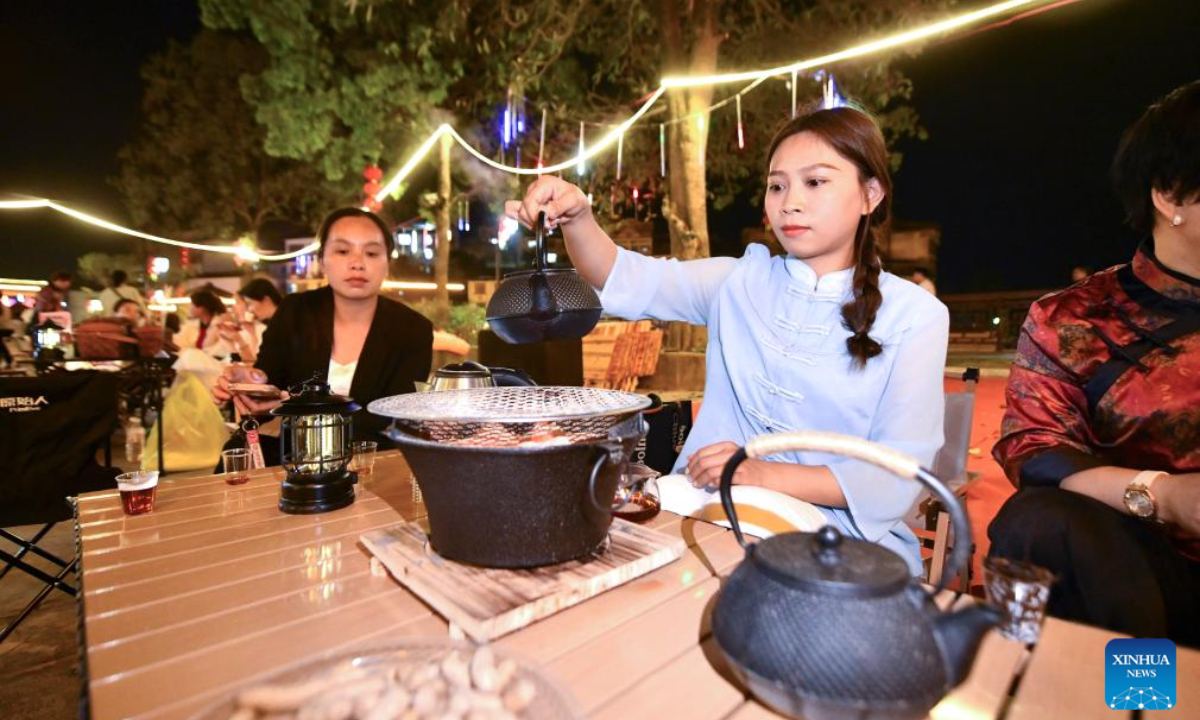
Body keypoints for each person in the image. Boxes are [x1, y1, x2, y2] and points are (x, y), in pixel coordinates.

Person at [507, 105, 949, 573]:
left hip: (840, 538)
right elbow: (624, 276)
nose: (789, 202)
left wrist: (758, 472)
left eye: (815, 182)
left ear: (870, 194)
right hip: (709, 510)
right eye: (777, 185)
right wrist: (577, 217)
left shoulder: (916, 316)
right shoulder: (738, 282)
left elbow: (899, 474)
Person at [988, 80, 1200, 646]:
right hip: (1147, 577)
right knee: (1040, 522)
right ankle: (1135, 702)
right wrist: (1166, 495)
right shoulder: (1075, 319)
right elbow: (1035, 451)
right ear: (1171, 195)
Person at [213, 207, 433, 460]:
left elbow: (395, 416)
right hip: (293, 462)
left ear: (387, 263)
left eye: (372, 253)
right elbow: (268, 381)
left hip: (372, 465)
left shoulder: (412, 329)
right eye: (342, 251)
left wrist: (304, 409)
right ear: (322, 260)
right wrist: (248, 381)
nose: (357, 263)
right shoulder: (294, 311)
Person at [218, 278, 283, 363]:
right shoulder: (272, 325)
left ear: (266, 300)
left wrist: (238, 340)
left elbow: (255, 365)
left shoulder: (283, 325)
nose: (249, 309)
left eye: (249, 303)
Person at [174, 289, 231, 357]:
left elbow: (216, 350)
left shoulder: (220, 325)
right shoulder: (191, 326)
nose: (190, 308)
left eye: (192, 305)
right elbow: (180, 343)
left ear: (202, 308)